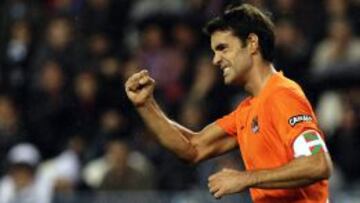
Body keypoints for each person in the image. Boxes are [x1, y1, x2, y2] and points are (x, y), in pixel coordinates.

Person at [125, 3, 332, 203]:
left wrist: (246, 178)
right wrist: (146, 105)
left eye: (223, 48)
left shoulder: (283, 95)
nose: (216, 59)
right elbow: (193, 148)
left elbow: (317, 164)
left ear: (252, 43)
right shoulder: (247, 111)